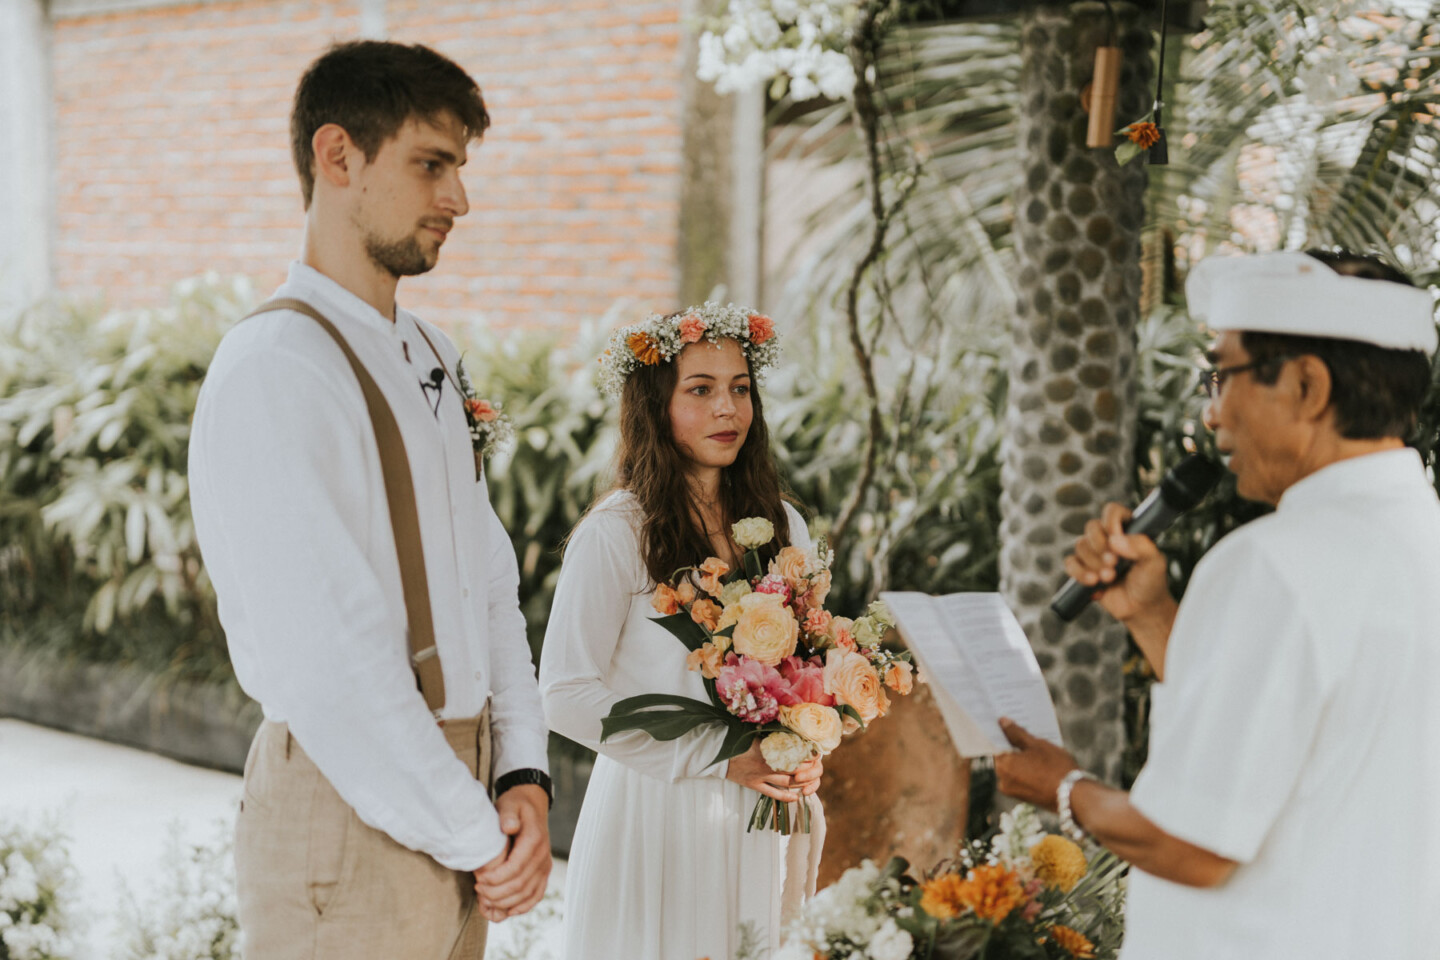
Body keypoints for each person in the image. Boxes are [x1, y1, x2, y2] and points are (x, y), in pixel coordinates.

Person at [188, 41, 551, 959]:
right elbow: (328, 662)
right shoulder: (276, 369)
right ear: (338, 155)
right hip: (351, 807)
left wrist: (521, 773)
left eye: (459, 169)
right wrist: (476, 835)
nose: (458, 200)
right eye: (432, 165)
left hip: (456, 796)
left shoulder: (429, 350)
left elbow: (487, 580)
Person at [995, 249, 1440, 959]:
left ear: (1306, 384)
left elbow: (1193, 844)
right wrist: (1152, 616)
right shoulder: (1420, 534)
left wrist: (1061, 787)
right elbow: (1298, 719)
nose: (1211, 414)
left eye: (1221, 374)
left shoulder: (1274, 561)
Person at [540, 306, 825, 960]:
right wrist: (718, 756)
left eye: (740, 388)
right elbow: (562, 693)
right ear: (654, 405)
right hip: (653, 813)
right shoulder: (617, 533)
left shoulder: (785, 528)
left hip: (756, 819)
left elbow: (803, 669)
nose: (728, 407)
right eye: (700, 389)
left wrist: (808, 738)